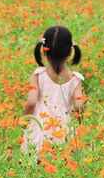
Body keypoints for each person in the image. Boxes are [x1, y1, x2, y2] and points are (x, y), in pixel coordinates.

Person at [22, 26, 86, 154]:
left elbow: (31, 102)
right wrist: (78, 124)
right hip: (63, 132)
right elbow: (79, 106)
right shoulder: (75, 80)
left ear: (43, 51)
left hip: (38, 131)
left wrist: (23, 122)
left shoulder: (38, 75)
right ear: (70, 52)